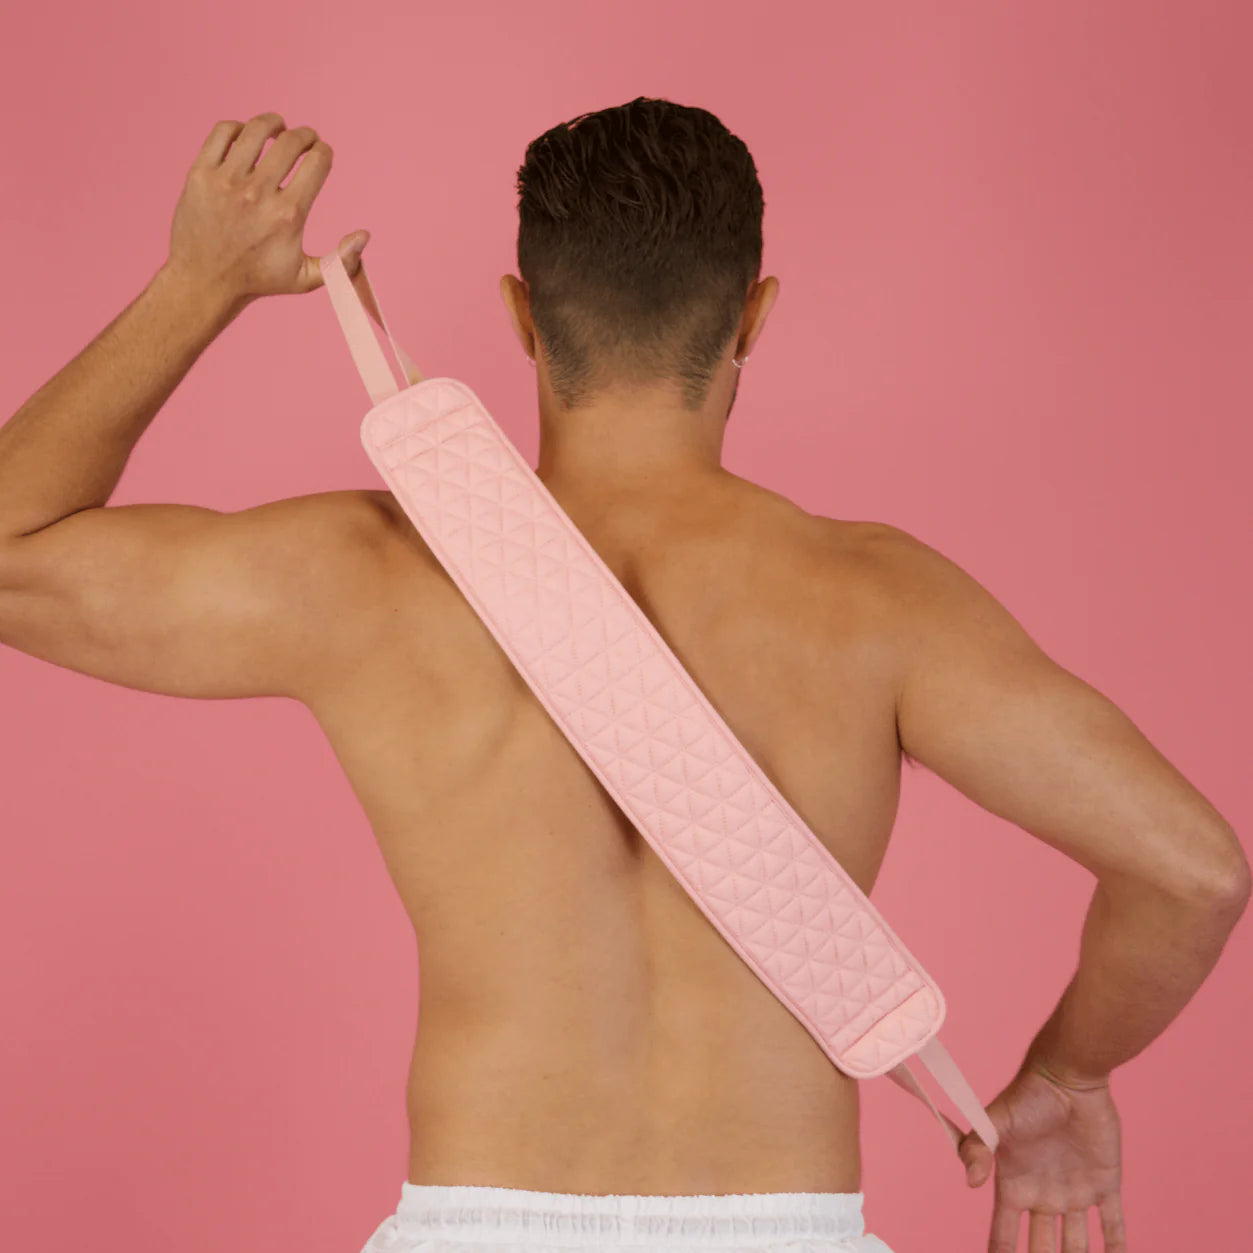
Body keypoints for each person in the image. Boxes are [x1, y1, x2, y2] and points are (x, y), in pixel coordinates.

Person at [0, 98, 1246, 1253]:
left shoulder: (365, 573)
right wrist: (1065, 1073)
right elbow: (1191, 869)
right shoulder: (879, 597)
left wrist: (199, 282)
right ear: (751, 313)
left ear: (523, 314)